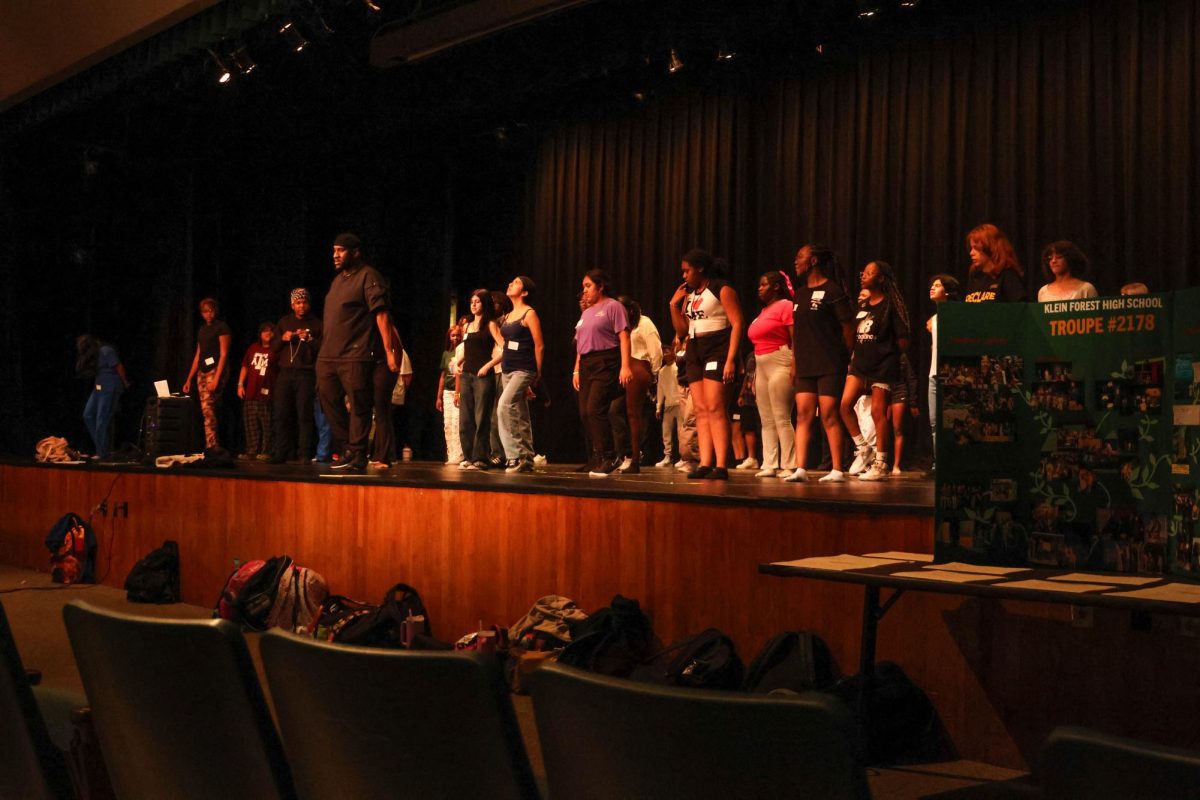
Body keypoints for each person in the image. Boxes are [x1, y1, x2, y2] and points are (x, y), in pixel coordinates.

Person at [316, 232, 398, 473]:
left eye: (340, 251)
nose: (335, 255)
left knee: (359, 406)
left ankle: (358, 453)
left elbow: (381, 315)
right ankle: (350, 447)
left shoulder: (369, 276)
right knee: (326, 400)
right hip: (329, 354)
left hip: (356, 353)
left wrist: (389, 351)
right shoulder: (338, 280)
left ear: (355, 252)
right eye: (333, 251)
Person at [669, 249, 744, 480]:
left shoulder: (722, 289)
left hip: (718, 348)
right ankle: (705, 462)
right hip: (694, 350)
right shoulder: (689, 296)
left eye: (686, 271)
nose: (684, 276)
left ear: (700, 268)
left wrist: (731, 359)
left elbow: (738, 323)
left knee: (715, 407)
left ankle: (721, 465)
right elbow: (681, 331)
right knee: (700, 409)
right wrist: (673, 305)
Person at [788, 245, 854, 483]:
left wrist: (844, 355)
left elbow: (848, 327)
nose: (795, 262)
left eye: (800, 257)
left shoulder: (832, 290)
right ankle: (800, 469)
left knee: (829, 413)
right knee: (803, 414)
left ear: (813, 261)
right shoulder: (800, 293)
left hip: (829, 362)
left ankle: (837, 468)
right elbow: (797, 334)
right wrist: (795, 362)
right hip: (805, 363)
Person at [839, 260, 911, 481]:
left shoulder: (890, 305)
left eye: (870, 273)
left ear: (880, 278)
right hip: (860, 365)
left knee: (877, 412)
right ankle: (863, 447)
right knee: (844, 406)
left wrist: (885, 353)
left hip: (882, 366)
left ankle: (880, 464)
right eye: (864, 271)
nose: (864, 275)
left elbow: (903, 340)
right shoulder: (863, 306)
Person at [573, 269, 632, 477]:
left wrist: (625, 366)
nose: (585, 291)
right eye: (583, 287)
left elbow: (624, 337)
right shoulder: (586, 312)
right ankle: (597, 457)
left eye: (588, 286)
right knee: (584, 412)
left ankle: (609, 456)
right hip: (587, 363)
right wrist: (576, 369)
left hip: (607, 360)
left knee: (594, 409)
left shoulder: (613, 306)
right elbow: (580, 344)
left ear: (601, 286)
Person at [746, 270, 796, 478]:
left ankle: (790, 464)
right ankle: (769, 463)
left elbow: (795, 337)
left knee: (781, 416)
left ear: (776, 287)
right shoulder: (764, 311)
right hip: (761, 363)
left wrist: (795, 364)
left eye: (764, 284)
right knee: (766, 418)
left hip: (780, 360)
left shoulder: (785, 305)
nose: (759, 288)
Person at [269, 288, 322, 464]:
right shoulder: (284, 322)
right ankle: (281, 452)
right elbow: (274, 348)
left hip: (306, 374)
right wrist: (283, 338)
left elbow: (323, 349)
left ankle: (304, 453)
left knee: (304, 414)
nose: (302, 306)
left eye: (304, 302)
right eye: (298, 303)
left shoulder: (316, 324)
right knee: (281, 413)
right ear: (292, 305)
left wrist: (310, 339)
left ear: (309, 304)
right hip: (285, 373)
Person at [497, 276, 545, 473]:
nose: (510, 283)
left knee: (504, 407)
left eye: (516, 282)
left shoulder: (529, 313)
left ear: (524, 292)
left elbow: (539, 345)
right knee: (520, 413)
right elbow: (504, 344)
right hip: (507, 368)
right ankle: (527, 457)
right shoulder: (508, 316)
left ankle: (514, 456)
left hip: (524, 369)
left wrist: (537, 373)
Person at [457, 288, 504, 469]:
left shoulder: (490, 324)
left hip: (483, 377)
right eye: (472, 302)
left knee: (481, 418)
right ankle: (468, 457)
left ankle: (480, 458)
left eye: (477, 301)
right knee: (465, 420)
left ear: (484, 304)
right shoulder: (467, 325)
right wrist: (458, 362)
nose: (474, 305)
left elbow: (504, 349)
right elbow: (469, 349)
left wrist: (487, 366)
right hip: (467, 376)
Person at [613, 296, 662, 474]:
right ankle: (625, 453)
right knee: (614, 410)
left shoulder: (644, 323)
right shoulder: (623, 326)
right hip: (625, 371)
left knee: (633, 414)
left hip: (640, 368)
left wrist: (654, 376)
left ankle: (635, 459)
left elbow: (656, 351)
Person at [182, 297, 232, 449]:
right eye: (205, 312)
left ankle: (212, 446)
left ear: (215, 311)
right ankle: (212, 445)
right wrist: (189, 379)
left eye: (211, 311)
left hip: (216, 369)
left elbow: (224, 354)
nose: (208, 314)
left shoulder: (222, 327)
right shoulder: (202, 329)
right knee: (207, 410)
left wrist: (217, 378)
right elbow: (199, 354)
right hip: (202, 372)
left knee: (209, 409)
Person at [925, 274, 960, 477]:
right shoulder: (934, 319)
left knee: (952, 420)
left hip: (949, 374)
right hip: (933, 374)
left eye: (937, 285)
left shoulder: (955, 314)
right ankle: (939, 463)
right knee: (934, 421)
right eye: (932, 284)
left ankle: (952, 461)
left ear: (947, 291)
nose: (932, 287)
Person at [76, 334, 128, 460]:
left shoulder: (106, 351)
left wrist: (125, 382)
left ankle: (102, 452)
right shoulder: (92, 355)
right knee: (87, 415)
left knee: (101, 418)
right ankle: (102, 447)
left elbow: (118, 366)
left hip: (110, 386)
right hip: (98, 387)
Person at [236, 323, 278, 461]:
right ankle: (251, 451)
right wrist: (240, 385)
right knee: (251, 423)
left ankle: (267, 451)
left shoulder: (276, 349)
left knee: (267, 424)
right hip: (251, 392)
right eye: (265, 331)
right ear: (260, 334)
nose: (268, 333)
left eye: (271, 331)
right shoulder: (253, 348)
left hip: (267, 393)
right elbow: (245, 366)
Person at [963, 223, 1026, 303]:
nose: (971, 253)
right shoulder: (975, 277)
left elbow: (1020, 309)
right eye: (971, 248)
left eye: (976, 248)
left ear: (990, 247)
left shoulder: (1008, 275)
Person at [437, 324, 465, 465]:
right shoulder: (446, 354)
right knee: (447, 423)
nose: (455, 338)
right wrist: (438, 396)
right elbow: (443, 376)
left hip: (458, 391)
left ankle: (459, 454)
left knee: (456, 422)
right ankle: (451, 454)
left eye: (458, 335)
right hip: (447, 392)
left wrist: (458, 393)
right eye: (453, 335)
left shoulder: (463, 351)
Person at [655, 339, 681, 467]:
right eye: (662, 352)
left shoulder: (678, 367)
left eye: (667, 350)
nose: (664, 354)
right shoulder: (661, 371)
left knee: (682, 432)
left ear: (672, 351)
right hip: (669, 404)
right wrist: (658, 407)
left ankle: (684, 457)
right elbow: (660, 389)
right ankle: (668, 456)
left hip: (680, 403)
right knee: (666, 432)